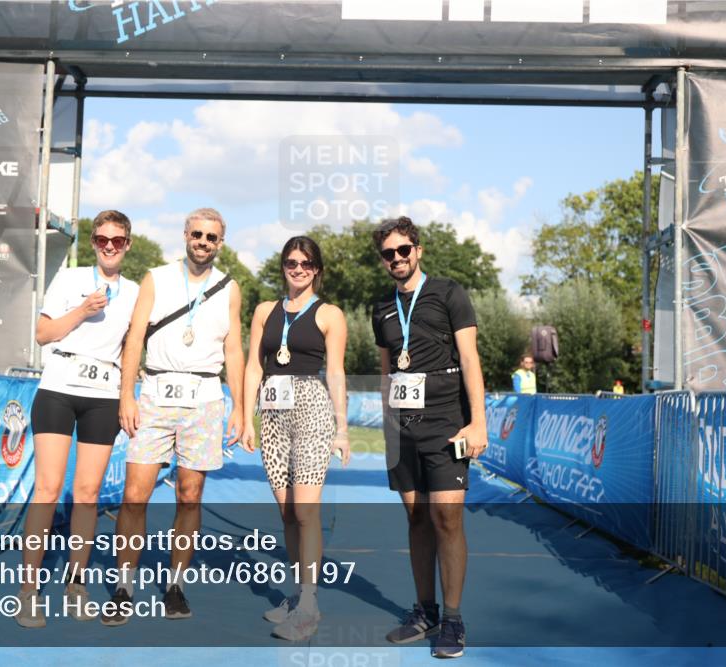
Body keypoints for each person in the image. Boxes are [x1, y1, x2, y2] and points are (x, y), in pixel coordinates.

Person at [103, 207, 245, 625]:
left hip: (205, 397)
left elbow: (234, 348)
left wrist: (240, 406)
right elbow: (134, 340)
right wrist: (126, 395)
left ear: (220, 243)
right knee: (135, 494)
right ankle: (124, 587)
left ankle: (175, 586)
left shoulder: (230, 287)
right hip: (156, 393)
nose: (203, 242)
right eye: (197, 234)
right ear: (185, 235)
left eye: (211, 237)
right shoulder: (157, 278)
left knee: (190, 494)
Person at [16, 209, 140, 628]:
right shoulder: (70, 279)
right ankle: (29, 590)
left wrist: (129, 395)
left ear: (127, 245)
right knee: (48, 489)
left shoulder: (135, 292)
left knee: (87, 494)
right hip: (59, 387)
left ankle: (75, 585)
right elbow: (43, 334)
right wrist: (83, 311)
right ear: (93, 243)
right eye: (102, 239)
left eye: (117, 240)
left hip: (103, 395)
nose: (109, 246)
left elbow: (133, 347)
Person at [370, 216, 488, 659]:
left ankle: (453, 620)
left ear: (418, 251)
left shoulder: (448, 292)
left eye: (404, 250)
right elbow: (387, 372)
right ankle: (426, 612)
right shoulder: (381, 308)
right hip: (402, 428)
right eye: (389, 253)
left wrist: (478, 423)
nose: (397, 258)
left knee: (447, 519)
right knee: (417, 518)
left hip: (446, 421)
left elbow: (470, 359)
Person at [240, 236, 351, 641]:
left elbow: (335, 372)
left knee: (305, 510)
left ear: (316, 269)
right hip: (272, 414)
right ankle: (297, 592)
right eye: (291, 262)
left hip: (311, 410)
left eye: (306, 263)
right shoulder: (264, 311)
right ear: (283, 266)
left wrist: (342, 428)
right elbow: (254, 366)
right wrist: (247, 418)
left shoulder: (330, 314)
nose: (298, 269)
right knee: (287, 512)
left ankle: (308, 605)